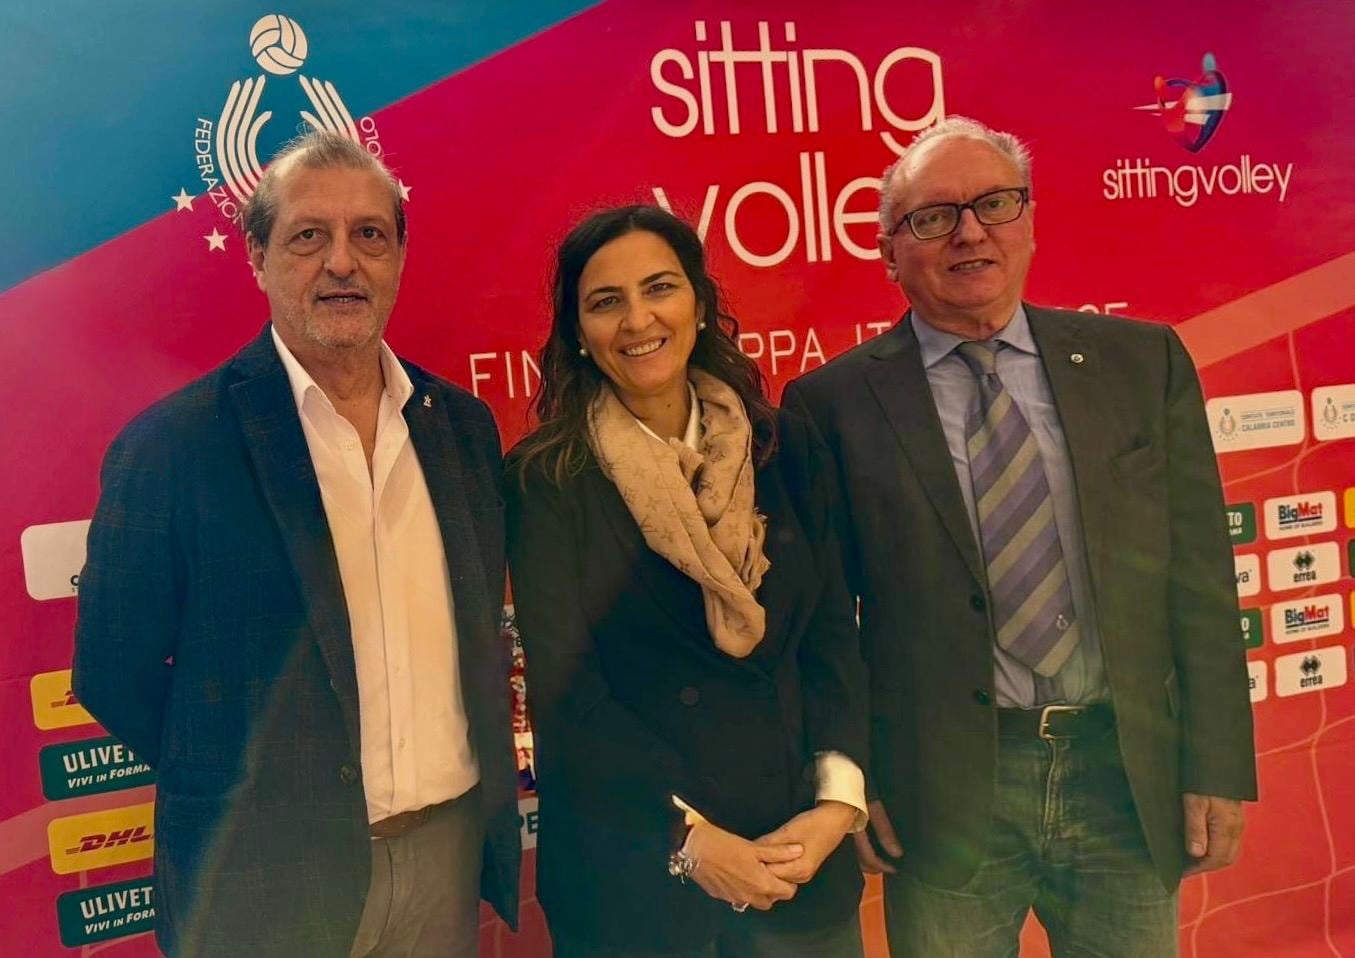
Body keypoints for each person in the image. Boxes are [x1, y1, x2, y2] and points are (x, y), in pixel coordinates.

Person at [782, 116, 1257, 957]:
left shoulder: (1141, 363)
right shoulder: (832, 406)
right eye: (933, 217)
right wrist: (852, 778)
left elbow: (1199, 579)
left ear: (1029, 220)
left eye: (994, 204)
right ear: (889, 252)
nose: (969, 232)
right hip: (943, 792)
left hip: (1124, 775)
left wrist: (1214, 762)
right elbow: (824, 625)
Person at [72, 130, 520, 958]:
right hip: (266, 878)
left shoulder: (461, 428)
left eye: (369, 235)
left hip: (446, 859)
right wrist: (250, 792)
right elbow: (111, 674)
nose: (342, 262)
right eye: (309, 236)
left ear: (398, 256)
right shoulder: (173, 446)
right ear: (258, 256)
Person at [505, 205, 868, 957]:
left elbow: (831, 640)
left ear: (699, 305)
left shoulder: (784, 446)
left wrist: (836, 806)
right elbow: (569, 699)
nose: (638, 320)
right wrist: (688, 839)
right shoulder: (546, 480)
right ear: (577, 332)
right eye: (606, 301)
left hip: (794, 866)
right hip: (636, 882)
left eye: (659, 288)